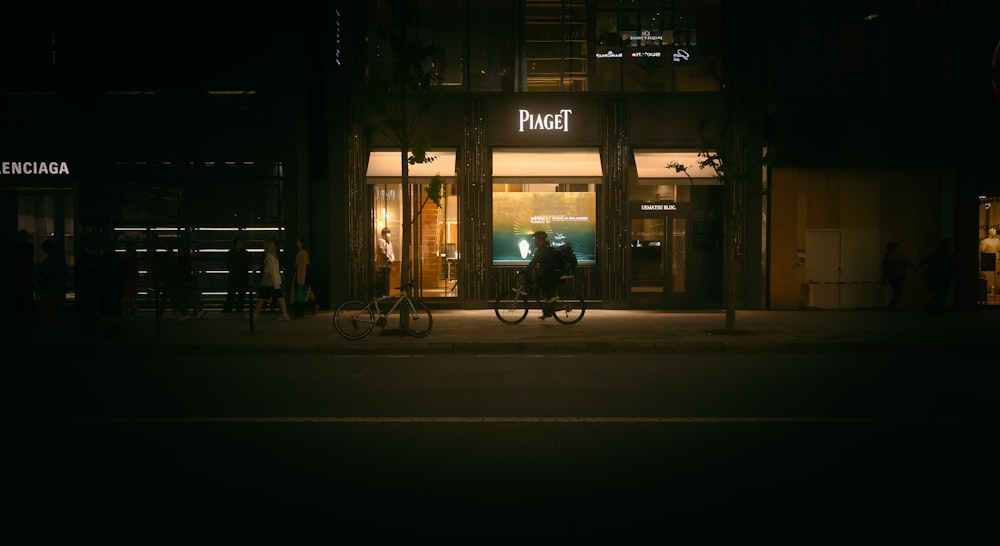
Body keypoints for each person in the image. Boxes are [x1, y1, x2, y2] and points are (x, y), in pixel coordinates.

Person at [252, 238, 290, 321]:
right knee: (279, 297)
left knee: (262, 297)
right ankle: (284, 313)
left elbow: (271, 270)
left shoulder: (269, 256)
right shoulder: (275, 256)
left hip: (270, 282)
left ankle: (255, 314)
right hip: (275, 281)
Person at [526, 230, 559, 320]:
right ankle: (547, 311)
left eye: (535, 239)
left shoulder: (542, 250)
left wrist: (525, 270)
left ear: (540, 240)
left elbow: (534, 262)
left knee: (540, 283)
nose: (534, 241)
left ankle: (552, 298)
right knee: (544, 286)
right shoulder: (545, 248)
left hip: (551, 273)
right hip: (551, 272)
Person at [37, 238, 67, 330]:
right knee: (56, 309)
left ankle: (52, 325)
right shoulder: (58, 259)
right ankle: (57, 326)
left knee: (50, 309)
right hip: (56, 287)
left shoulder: (49, 261)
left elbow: (43, 271)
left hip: (49, 287)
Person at [920, 238, 954, 316]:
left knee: (940, 293)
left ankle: (933, 306)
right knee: (942, 294)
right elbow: (952, 266)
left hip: (937, 277)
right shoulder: (949, 254)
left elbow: (925, 260)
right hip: (945, 277)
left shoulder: (937, 253)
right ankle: (937, 308)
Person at [880, 242, 913, 312]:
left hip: (892, 276)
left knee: (897, 291)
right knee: (898, 291)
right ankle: (892, 306)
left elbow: (884, 268)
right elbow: (906, 262)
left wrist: (884, 277)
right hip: (897, 275)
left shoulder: (887, 256)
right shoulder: (896, 255)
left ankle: (892, 305)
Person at [223, 236, 252, 314]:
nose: (240, 245)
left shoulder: (231, 253)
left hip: (237, 276)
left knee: (239, 294)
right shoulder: (246, 254)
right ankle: (237, 308)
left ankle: (232, 308)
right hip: (240, 276)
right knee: (234, 293)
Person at [14, 229, 37, 321]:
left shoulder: (17, 247)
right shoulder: (29, 247)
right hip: (27, 274)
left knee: (22, 295)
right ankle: (32, 315)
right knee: (28, 296)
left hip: (20, 275)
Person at [290, 236, 316, 317]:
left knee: (300, 294)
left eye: (298, 242)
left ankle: (300, 311)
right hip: (303, 276)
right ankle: (314, 304)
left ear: (301, 243)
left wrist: (300, 279)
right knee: (306, 292)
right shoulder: (304, 253)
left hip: (301, 276)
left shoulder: (301, 253)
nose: (297, 244)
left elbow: (301, 267)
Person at [120, 241, 141, 321]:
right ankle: (134, 312)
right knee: (132, 298)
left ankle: (128, 312)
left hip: (127, 279)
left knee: (124, 297)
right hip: (133, 279)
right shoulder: (135, 256)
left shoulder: (127, 257)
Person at [375, 227, 395, 297]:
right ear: (383, 234)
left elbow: (392, 251)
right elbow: (382, 251)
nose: (388, 235)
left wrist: (392, 259)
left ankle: (386, 294)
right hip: (381, 266)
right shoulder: (380, 241)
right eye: (387, 234)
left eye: (389, 234)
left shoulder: (389, 243)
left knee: (386, 282)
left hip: (388, 265)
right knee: (382, 282)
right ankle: (381, 296)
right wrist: (389, 258)